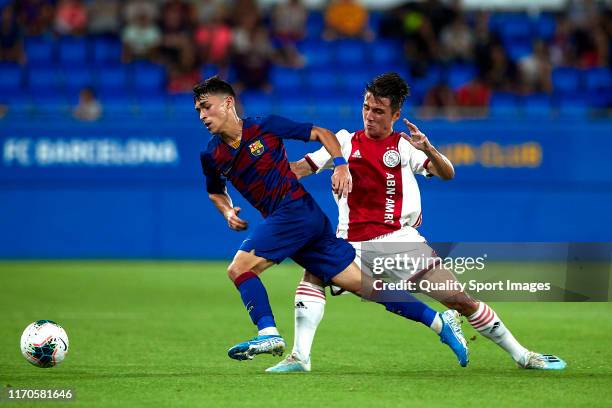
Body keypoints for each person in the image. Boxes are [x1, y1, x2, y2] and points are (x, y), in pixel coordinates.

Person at [267, 72, 566, 372]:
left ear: (396, 114)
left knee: (460, 301)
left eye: (378, 111)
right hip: (350, 244)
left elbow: (447, 173)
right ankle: (299, 357)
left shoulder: (404, 146)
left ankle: (523, 356)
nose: (369, 116)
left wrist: (429, 149)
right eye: (366, 107)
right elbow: (297, 170)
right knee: (313, 274)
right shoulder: (343, 142)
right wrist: (258, 169)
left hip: (399, 243)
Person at [195, 76, 468, 364]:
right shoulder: (211, 154)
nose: (202, 115)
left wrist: (341, 166)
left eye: (206, 106)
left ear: (227, 103)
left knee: (239, 268)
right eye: (198, 110)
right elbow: (216, 191)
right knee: (365, 286)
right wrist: (227, 211)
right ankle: (439, 323)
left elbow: (323, 133)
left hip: (294, 211)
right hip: (303, 220)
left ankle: (268, 331)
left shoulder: (265, 126)